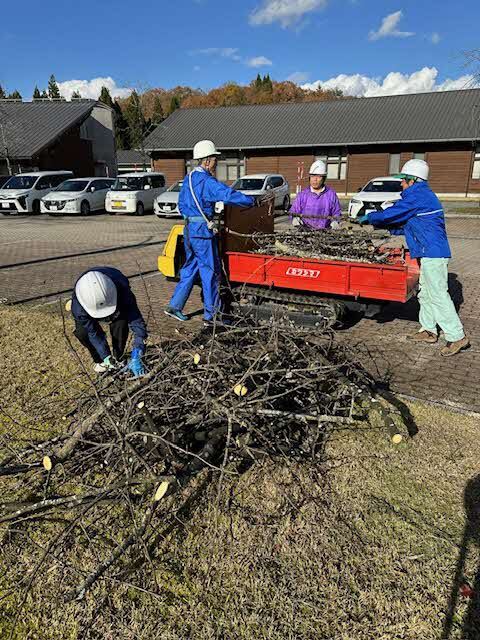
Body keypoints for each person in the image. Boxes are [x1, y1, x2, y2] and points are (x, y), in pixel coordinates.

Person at [358, 159, 469, 357]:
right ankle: (428, 330)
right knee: (425, 293)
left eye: (403, 180)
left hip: (434, 254)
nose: (401, 183)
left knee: (438, 294)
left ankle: (457, 336)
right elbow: (407, 225)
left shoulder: (418, 195)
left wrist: (373, 217)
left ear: (412, 180)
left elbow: (394, 213)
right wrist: (381, 227)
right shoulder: (420, 196)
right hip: (426, 252)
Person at [164, 139, 257, 326]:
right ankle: (212, 316)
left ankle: (174, 305)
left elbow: (181, 205)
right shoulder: (206, 181)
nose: (216, 162)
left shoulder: (188, 179)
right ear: (207, 160)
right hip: (202, 233)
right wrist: (251, 202)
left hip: (189, 229)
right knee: (210, 272)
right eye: (215, 159)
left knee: (191, 267)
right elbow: (227, 194)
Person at [72, 267, 147, 376]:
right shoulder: (79, 307)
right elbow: (93, 332)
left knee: (120, 323)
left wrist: (139, 348)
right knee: (83, 332)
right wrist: (105, 355)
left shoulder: (122, 289)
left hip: (115, 292)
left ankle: (118, 357)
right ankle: (101, 361)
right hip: (88, 306)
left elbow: (136, 320)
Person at [289, 160, 342, 229]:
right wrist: (296, 221)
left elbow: (337, 213)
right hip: (305, 231)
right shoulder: (302, 195)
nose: (315, 179)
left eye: (319, 176)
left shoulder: (331, 195)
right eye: (312, 176)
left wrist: (334, 223)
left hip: (325, 232)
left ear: (323, 178)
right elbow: (293, 212)